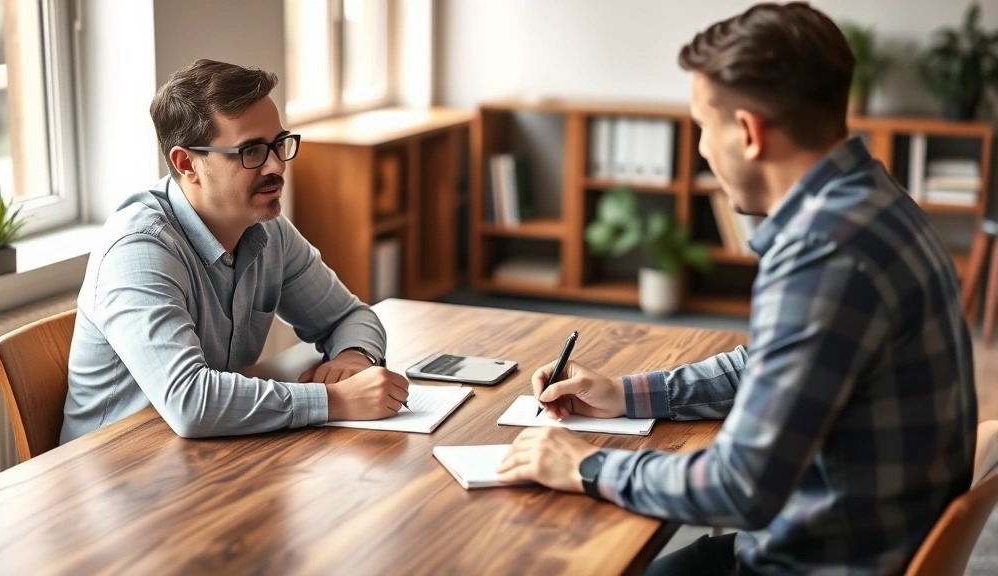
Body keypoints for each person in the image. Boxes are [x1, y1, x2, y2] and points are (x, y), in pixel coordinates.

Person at [496, 3, 978, 575]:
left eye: (703, 125)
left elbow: (738, 486)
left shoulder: (823, 253)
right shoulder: (878, 203)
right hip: (862, 540)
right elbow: (769, 366)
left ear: (747, 132)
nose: (700, 147)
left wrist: (585, 466)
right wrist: (625, 393)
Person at [61, 59, 409, 443]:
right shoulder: (138, 250)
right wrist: (334, 400)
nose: (276, 165)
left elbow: (347, 316)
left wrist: (355, 358)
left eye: (279, 144)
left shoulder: (266, 228)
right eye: (252, 151)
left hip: (209, 457)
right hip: (114, 477)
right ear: (187, 162)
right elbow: (191, 402)